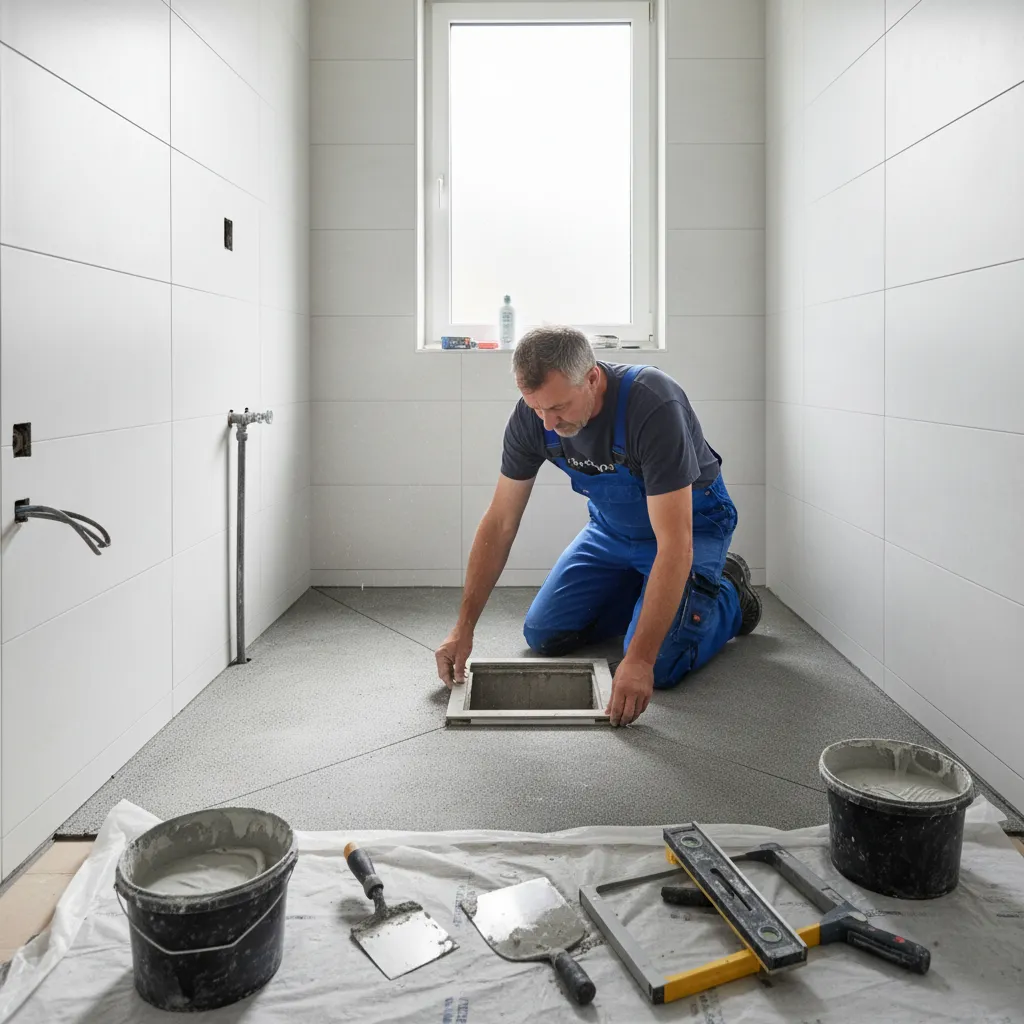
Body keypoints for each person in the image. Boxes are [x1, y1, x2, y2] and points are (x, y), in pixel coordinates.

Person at [434, 326, 762, 726]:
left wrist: (639, 659)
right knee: (544, 635)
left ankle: (729, 590)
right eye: (537, 409)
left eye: (558, 408)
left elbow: (675, 543)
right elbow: (501, 520)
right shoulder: (533, 417)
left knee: (661, 663)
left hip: (692, 527)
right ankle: (648, 593)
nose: (548, 424)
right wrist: (463, 627)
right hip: (610, 532)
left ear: (592, 377)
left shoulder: (652, 404)